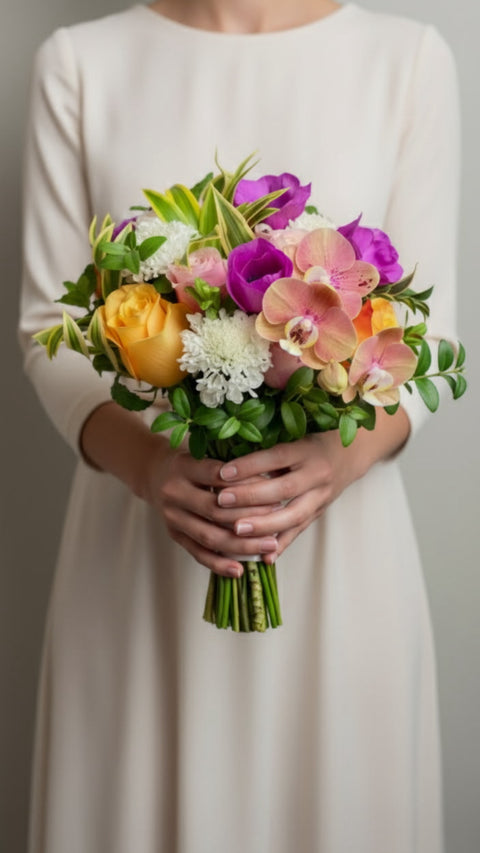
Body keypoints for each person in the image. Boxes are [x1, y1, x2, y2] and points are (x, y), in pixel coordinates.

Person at [19, 1, 459, 851]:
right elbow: (49, 330)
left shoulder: (407, 62)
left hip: (339, 558)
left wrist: (333, 463)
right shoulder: (78, 65)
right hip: (138, 554)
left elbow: (430, 341)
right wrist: (151, 467)